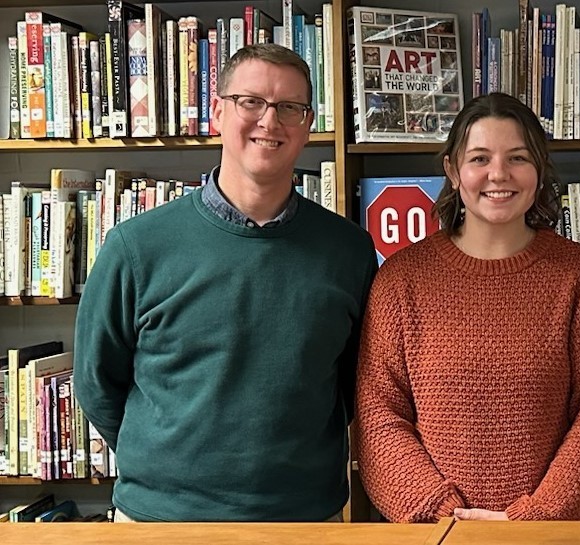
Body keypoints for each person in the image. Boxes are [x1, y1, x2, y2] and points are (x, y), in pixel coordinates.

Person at [73, 44, 378, 522]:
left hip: (304, 520)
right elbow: (96, 383)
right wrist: (167, 468)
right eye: (250, 101)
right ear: (217, 111)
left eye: (289, 107)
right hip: (158, 522)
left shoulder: (349, 251)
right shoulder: (136, 247)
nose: (269, 121)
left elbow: (355, 385)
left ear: (308, 123)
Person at [355, 92, 580, 523]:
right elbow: (378, 416)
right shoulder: (402, 281)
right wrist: (444, 516)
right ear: (453, 170)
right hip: (436, 538)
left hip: (548, 539)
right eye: (479, 158)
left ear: (538, 169)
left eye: (517, 158)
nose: (498, 174)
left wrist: (532, 521)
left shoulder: (578, 276)